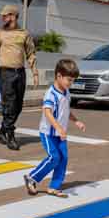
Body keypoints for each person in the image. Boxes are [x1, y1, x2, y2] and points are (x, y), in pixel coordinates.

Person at [24, 59, 86, 198]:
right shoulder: (51, 94)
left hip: (60, 134)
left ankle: (54, 187)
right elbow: (47, 112)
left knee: (63, 159)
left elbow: (66, 111)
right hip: (48, 133)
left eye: (73, 80)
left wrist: (76, 121)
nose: (71, 83)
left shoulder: (66, 92)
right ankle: (32, 178)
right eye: (69, 80)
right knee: (54, 157)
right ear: (59, 76)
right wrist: (58, 128)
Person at [0, 4, 38, 151]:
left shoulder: (24, 34)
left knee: (18, 105)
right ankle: (10, 136)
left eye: (5, 15)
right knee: (9, 104)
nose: (2, 18)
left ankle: (2, 132)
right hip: (5, 73)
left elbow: (31, 53)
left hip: (20, 73)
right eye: (2, 16)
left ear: (13, 16)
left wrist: (34, 73)